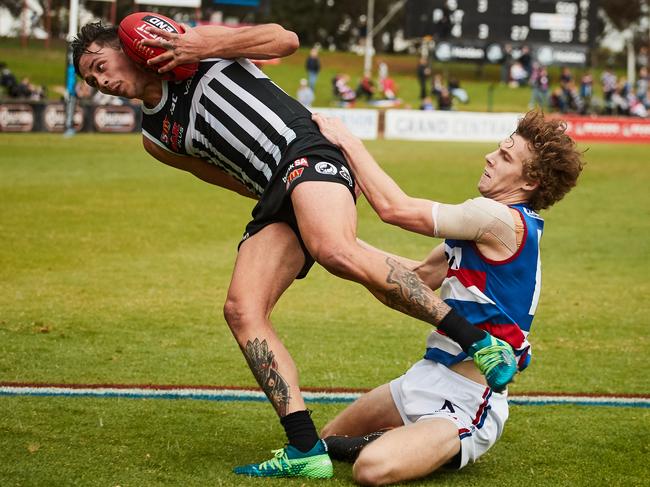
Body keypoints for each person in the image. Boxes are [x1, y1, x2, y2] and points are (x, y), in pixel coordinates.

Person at [72, 19, 517, 479]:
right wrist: (293, 204)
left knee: (334, 249)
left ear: (127, 48)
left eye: (101, 66)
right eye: (91, 79)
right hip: (275, 188)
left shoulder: (198, 49)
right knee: (242, 309)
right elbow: (220, 175)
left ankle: (481, 344)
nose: (101, 82)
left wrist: (205, 42)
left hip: (308, 149)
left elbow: (284, 39)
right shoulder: (154, 138)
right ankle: (305, 447)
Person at [311, 110, 584, 486]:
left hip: (468, 401)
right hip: (425, 377)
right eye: (499, 149)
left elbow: (395, 209)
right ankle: (411, 440)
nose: (490, 156)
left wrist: (346, 139)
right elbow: (413, 281)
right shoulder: (481, 231)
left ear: (530, 181)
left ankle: (422, 441)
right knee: (325, 440)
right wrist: (339, 243)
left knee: (370, 468)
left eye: (505, 157)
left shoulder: (499, 220)